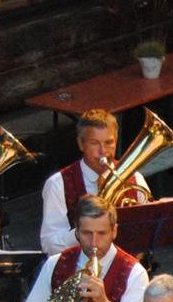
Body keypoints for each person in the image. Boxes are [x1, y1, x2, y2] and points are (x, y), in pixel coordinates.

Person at [22, 196, 148, 302]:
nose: (94, 242)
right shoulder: (55, 262)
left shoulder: (134, 272)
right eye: (87, 233)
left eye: (102, 233)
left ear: (114, 231)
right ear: (76, 231)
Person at [38, 108, 148, 255]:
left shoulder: (134, 178)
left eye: (109, 142)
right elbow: (49, 246)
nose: (103, 151)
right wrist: (86, 229)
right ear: (81, 144)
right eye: (94, 143)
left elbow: (148, 229)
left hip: (128, 268)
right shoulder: (57, 184)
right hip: (80, 269)